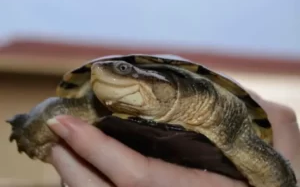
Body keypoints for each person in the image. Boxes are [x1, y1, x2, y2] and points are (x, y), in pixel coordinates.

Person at [46, 91, 300, 187]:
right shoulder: (97, 103)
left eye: (123, 72)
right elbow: (52, 111)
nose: (105, 76)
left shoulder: (228, 118)